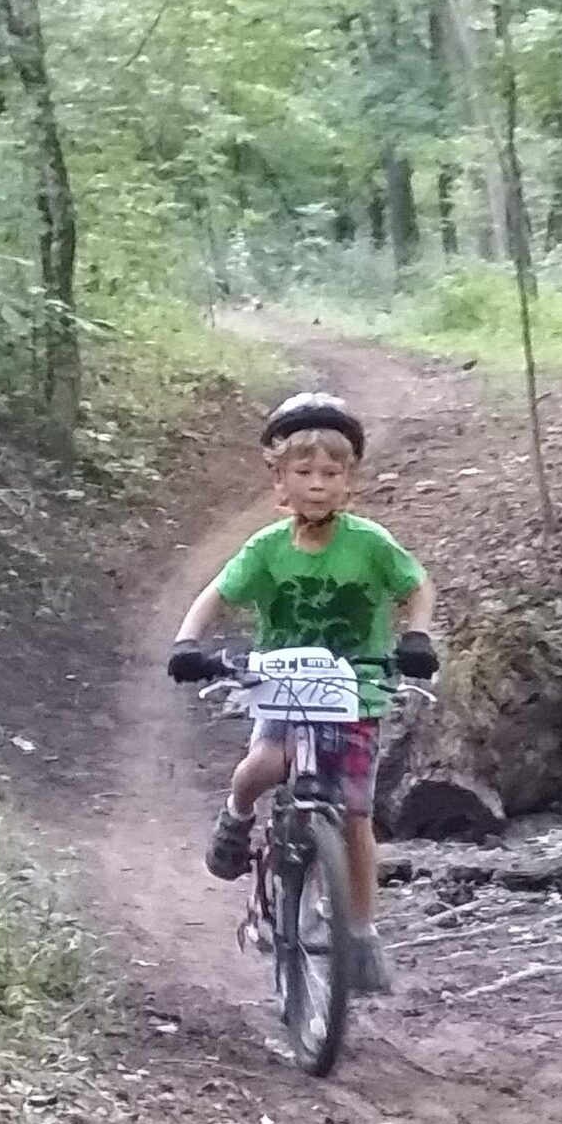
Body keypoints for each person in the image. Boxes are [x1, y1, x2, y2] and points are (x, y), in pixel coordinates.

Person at [167, 392, 438, 994]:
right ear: (280, 481)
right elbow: (217, 595)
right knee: (262, 766)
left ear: (350, 483)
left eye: (332, 474)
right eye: (305, 473)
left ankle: (362, 933)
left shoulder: (369, 543)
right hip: (285, 690)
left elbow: (417, 585)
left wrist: (417, 634)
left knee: (357, 818)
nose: (318, 485)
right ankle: (236, 821)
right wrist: (188, 642)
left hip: (357, 691)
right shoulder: (266, 549)